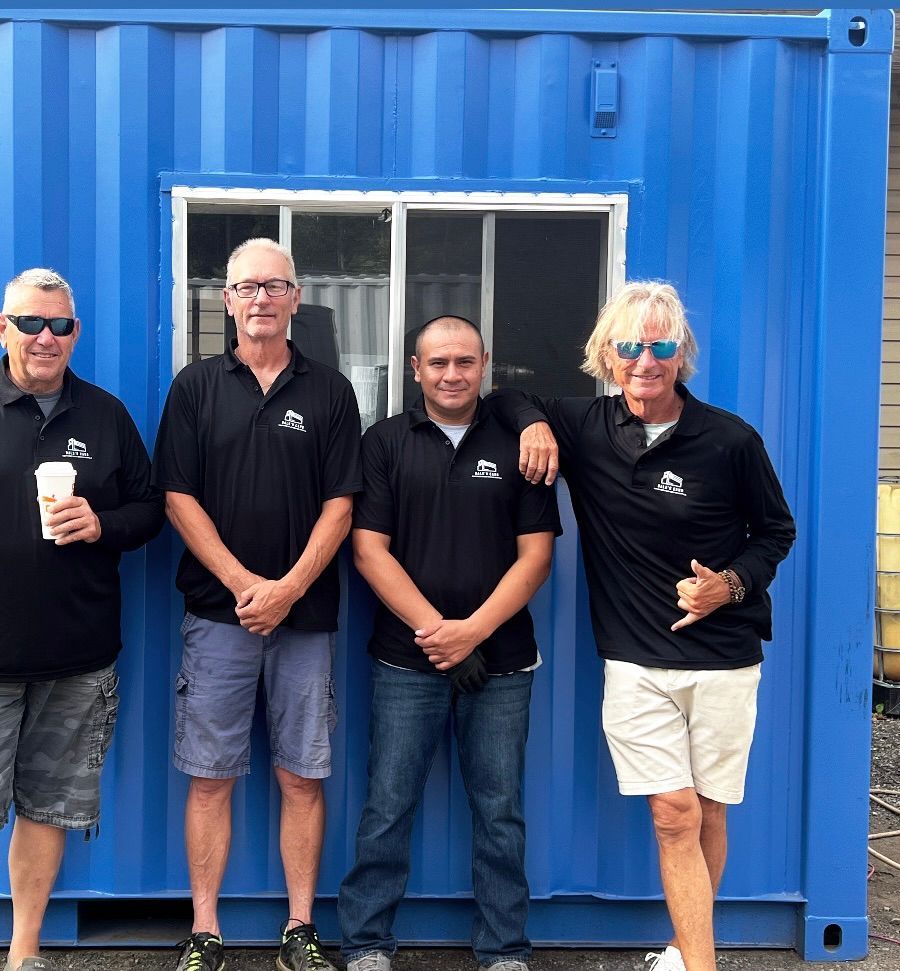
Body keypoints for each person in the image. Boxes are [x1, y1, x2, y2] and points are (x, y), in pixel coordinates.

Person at [492, 282, 796, 971]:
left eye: (660, 345)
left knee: (710, 813)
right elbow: (506, 396)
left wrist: (732, 583)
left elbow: (775, 530)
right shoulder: (586, 425)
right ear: (607, 353)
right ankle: (704, 967)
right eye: (630, 345)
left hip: (724, 657)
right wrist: (534, 425)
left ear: (681, 353)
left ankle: (684, 953)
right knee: (674, 813)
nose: (645, 360)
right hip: (634, 660)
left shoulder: (730, 439)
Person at [0, 268, 164, 971]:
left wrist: (101, 522)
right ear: (2, 326)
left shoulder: (104, 416)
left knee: (48, 810)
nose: (46, 338)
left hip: (77, 660)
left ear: (76, 334)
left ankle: (23, 952)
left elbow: (150, 509)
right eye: (32, 323)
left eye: (61, 326)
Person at [153, 238, 363, 971]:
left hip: (304, 619)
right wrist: (246, 584)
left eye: (277, 286)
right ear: (227, 301)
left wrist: (289, 588)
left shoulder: (331, 391)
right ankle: (205, 931)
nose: (263, 299)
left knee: (301, 774)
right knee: (210, 774)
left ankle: (299, 929)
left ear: (297, 298)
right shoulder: (196, 387)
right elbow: (176, 496)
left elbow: (342, 504)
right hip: (218, 616)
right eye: (249, 287)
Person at [337, 316, 560, 971]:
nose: (452, 374)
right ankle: (368, 942)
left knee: (500, 810)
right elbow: (368, 551)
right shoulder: (383, 443)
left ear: (484, 363)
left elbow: (537, 556)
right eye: (438, 363)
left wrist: (474, 632)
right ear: (415, 368)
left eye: (464, 361)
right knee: (388, 803)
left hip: (505, 660)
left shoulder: (521, 443)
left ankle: (504, 949)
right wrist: (440, 632)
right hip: (406, 660)